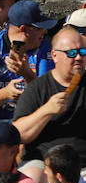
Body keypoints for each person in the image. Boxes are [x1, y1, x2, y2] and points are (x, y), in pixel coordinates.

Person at [14, 26, 86, 162]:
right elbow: (19, 134)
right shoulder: (37, 88)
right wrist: (47, 110)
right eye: (71, 53)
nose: (78, 57)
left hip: (81, 166)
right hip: (42, 162)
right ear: (54, 55)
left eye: (82, 52)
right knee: (31, 176)